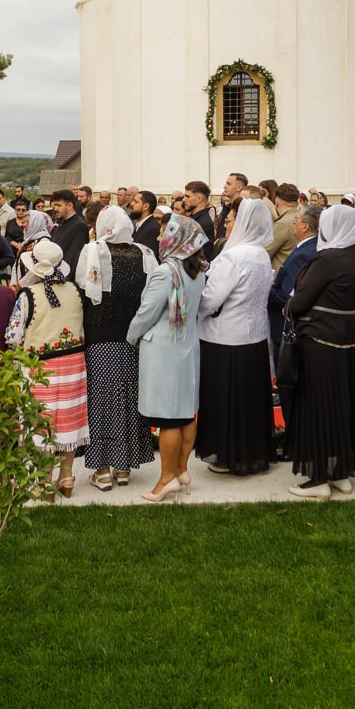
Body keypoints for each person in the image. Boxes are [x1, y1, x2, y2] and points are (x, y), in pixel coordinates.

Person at [284, 206, 355, 498]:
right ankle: (341, 472)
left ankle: (318, 478)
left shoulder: (327, 259)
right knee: (344, 405)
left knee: (318, 406)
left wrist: (290, 304)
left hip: (321, 342)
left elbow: (298, 302)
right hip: (350, 341)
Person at [128, 215, 209, 503]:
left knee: (168, 418)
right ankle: (182, 470)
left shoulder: (166, 272)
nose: (162, 236)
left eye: (166, 232)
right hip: (187, 347)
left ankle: (166, 480)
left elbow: (147, 312)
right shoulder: (198, 270)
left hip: (164, 350)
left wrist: (131, 336)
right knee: (186, 412)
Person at [192, 197, 275, 477]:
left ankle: (228, 453)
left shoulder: (233, 256)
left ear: (242, 223)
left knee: (225, 400)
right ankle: (253, 452)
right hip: (254, 337)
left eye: (229, 220)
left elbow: (211, 298)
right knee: (249, 399)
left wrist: (195, 307)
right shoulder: (261, 253)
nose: (225, 223)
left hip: (224, 338)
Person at [79, 205, 154, 491]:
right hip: (133, 338)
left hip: (99, 336)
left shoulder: (93, 251)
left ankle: (102, 469)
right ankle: (123, 467)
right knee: (128, 397)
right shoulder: (146, 254)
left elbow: (83, 288)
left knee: (100, 400)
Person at [7, 240, 88, 498]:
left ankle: (43, 480)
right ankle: (66, 476)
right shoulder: (75, 290)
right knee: (68, 420)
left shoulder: (28, 296)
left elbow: (12, 334)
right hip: (73, 362)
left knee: (42, 422)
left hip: (40, 365)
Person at [268, 204, 322, 362]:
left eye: (296, 220)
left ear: (305, 226)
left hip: (285, 325)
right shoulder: (309, 247)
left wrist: (269, 289)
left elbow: (288, 296)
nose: (293, 223)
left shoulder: (305, 253)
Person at [45, 188, 89, 270]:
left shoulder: (80, 226)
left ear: (69, 206)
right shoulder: (60, 225)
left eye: (59, 205)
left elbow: (74, 257)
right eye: (54, 206)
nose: (55, 209)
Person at [129, 189, 163, 254]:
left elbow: (147, 258)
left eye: (136, 202)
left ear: (146, 206)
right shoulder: (141, 224)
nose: (132, 204)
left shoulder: (153, 229)